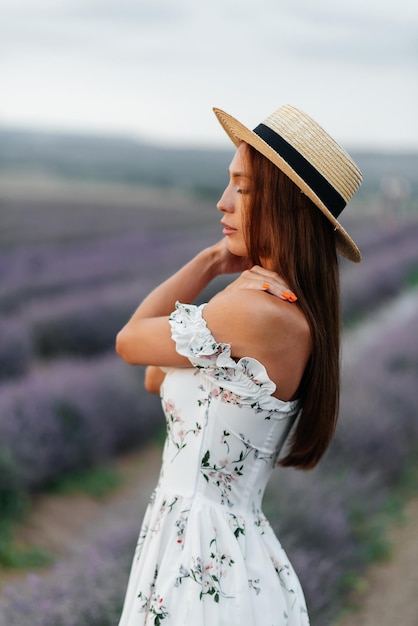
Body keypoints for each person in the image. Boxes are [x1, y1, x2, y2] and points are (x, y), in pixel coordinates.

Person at [115, 104, 362, 625]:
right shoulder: (270, 304)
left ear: (287, 208)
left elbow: (130, 342)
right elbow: (155, 376)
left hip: (203, 565)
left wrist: (209, 263)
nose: (223, 203)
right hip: (206, 551)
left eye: (243, 189)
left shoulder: (253, 312)